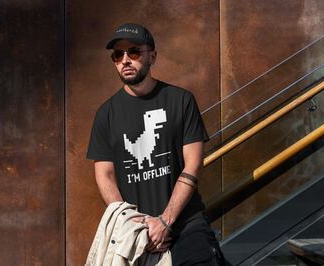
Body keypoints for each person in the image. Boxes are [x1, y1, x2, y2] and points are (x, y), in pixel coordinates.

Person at [87, 23, 224, 265]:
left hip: (185, 223)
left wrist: (165, 221)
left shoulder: (180, 100)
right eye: (118, 55)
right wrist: (136, 225)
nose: (125, 60)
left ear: (153, 56)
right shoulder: (106, 115)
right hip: (136, 231)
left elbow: (193, 165)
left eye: (134, 52)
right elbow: (105, 176)